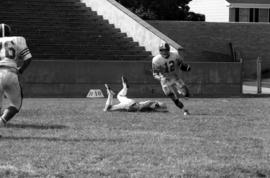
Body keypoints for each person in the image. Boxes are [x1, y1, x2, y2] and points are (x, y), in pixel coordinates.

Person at [0, 23, 32, 126]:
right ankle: (1, 122)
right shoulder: (18, 40)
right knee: (16, 103)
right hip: (11, 72)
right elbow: (28, 58)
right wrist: (21, 70)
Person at [152, 42, 191, 115]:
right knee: (173, 97)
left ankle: (181, 92)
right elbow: (155, 74)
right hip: (165, 80)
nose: (164, 52)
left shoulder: (175, 55)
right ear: (160, 51)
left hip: (174, 77)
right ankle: (184, 110)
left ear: (168, 50)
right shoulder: (156, 60)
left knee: (187, 94)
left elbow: (181, 64)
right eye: (162, 50)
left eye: (165, 50)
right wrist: (160, 78)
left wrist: (186, 67)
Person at [103, 76, 168, 112]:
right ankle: (112, 93)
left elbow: (161, 106)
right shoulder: (150, 104)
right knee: (109, 107)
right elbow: (161, 106)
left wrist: (160, 108)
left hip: (130, 104)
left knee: (118, 98)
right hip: (131, 104)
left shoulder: (149, 104)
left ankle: (123, 88)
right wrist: (161, 108)